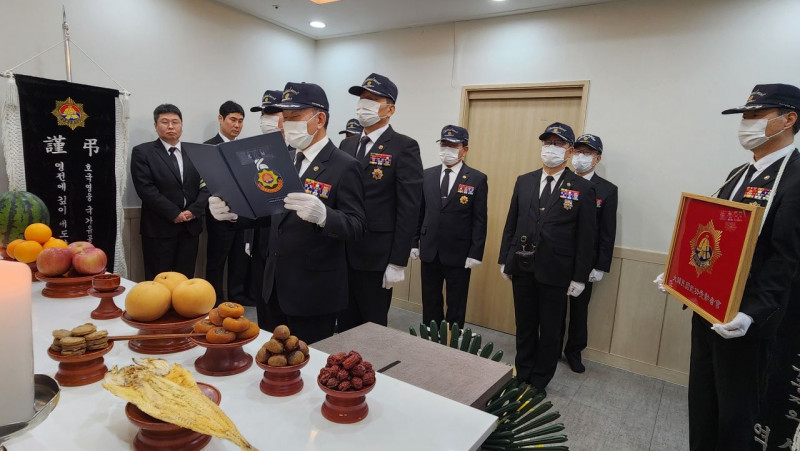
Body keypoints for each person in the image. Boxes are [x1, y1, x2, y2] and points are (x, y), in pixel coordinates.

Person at [655, 84, 800, 450]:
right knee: (703, 402)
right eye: (744, 116)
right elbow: (715, 235)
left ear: (789, 120)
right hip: (709, 311)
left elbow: (786, 258)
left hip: (746, 322)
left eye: (756, 115)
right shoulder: (738, 174)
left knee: (737, 414)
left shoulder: (795, 178)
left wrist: (751, 314)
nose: (746, 123)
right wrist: (679, 272)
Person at [210, 82, 366, 344]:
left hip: (312, 291)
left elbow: (357, 226)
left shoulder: (344, 165)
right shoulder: (284, 159)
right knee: (269, 357)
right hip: (272, 286)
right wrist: (232, 213)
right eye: (285, 117)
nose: (287, 124)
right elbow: (269, 211)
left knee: (307, 360)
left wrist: (325, 216)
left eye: (295, 117)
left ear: (320, 119)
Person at [498, 122, 596, 394]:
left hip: (557, 270)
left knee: (551, 329)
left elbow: (586, 237)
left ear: (570, 151)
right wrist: (505, 258)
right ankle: (522, 372)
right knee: (525, 325)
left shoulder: (582, 188)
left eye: (558, 143)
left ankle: (540, 379)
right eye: (547, 143)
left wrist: (579, 277)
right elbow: (512, 223)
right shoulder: (525, 181)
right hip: (522, 264)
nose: (551, 148)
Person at [338, 73, 424, 331]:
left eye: (373, 100)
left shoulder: (404, 146)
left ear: (390, 109)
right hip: (342, 249)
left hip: (376, 254)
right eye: (362, 99)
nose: (364, 105)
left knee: (371, 326)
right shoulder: (347, 144)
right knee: (343, 321)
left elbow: (409, 208)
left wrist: (398, 260)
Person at [410, 125, 488, 328]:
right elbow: (420, 212)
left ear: (465, 149)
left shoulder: (477, 179)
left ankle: (453, 338)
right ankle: (430, 334)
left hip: (459, 252)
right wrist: (414, 242)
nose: (447, 150)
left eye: (453, 146)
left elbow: (480, 219)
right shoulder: (427, 175)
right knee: (430, 298)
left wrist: (476, 252)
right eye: (444, 144)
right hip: (430, 249)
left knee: (456, 301)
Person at [131, 104, 209, 280]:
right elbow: (145, 188)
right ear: (155, 125)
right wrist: (174, 213)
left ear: (182, 125)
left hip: (190, 227)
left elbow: (206, 185)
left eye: (175, 122)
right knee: (159, 281)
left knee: (185, 280)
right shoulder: (143, 152)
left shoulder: (195, 152)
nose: (171, 126)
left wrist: (194, 210)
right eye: (165, 122)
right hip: (159, 228)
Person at [560, 133, 617, 373]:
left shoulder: (607, 190)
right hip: (558, 257)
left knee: (579, 310)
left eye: (588, 153)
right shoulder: (561, 180)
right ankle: (552, 348)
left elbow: (607, 232)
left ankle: (574, 351)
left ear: (597, 158)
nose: (581, 156)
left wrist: (601, 266)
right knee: (554, 308)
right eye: (578, 151)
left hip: (586, 262)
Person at [204, 101, 251, 305]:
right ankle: (214, 298)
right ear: (220, 119)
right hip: (218, 214)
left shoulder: (245, 149)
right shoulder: (208, 147)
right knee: (216, 259)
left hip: (244, 215)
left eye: (240, 121)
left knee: (240, 258)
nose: (237, 125)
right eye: (233, 120)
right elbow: (205, 183)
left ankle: (237, 295)